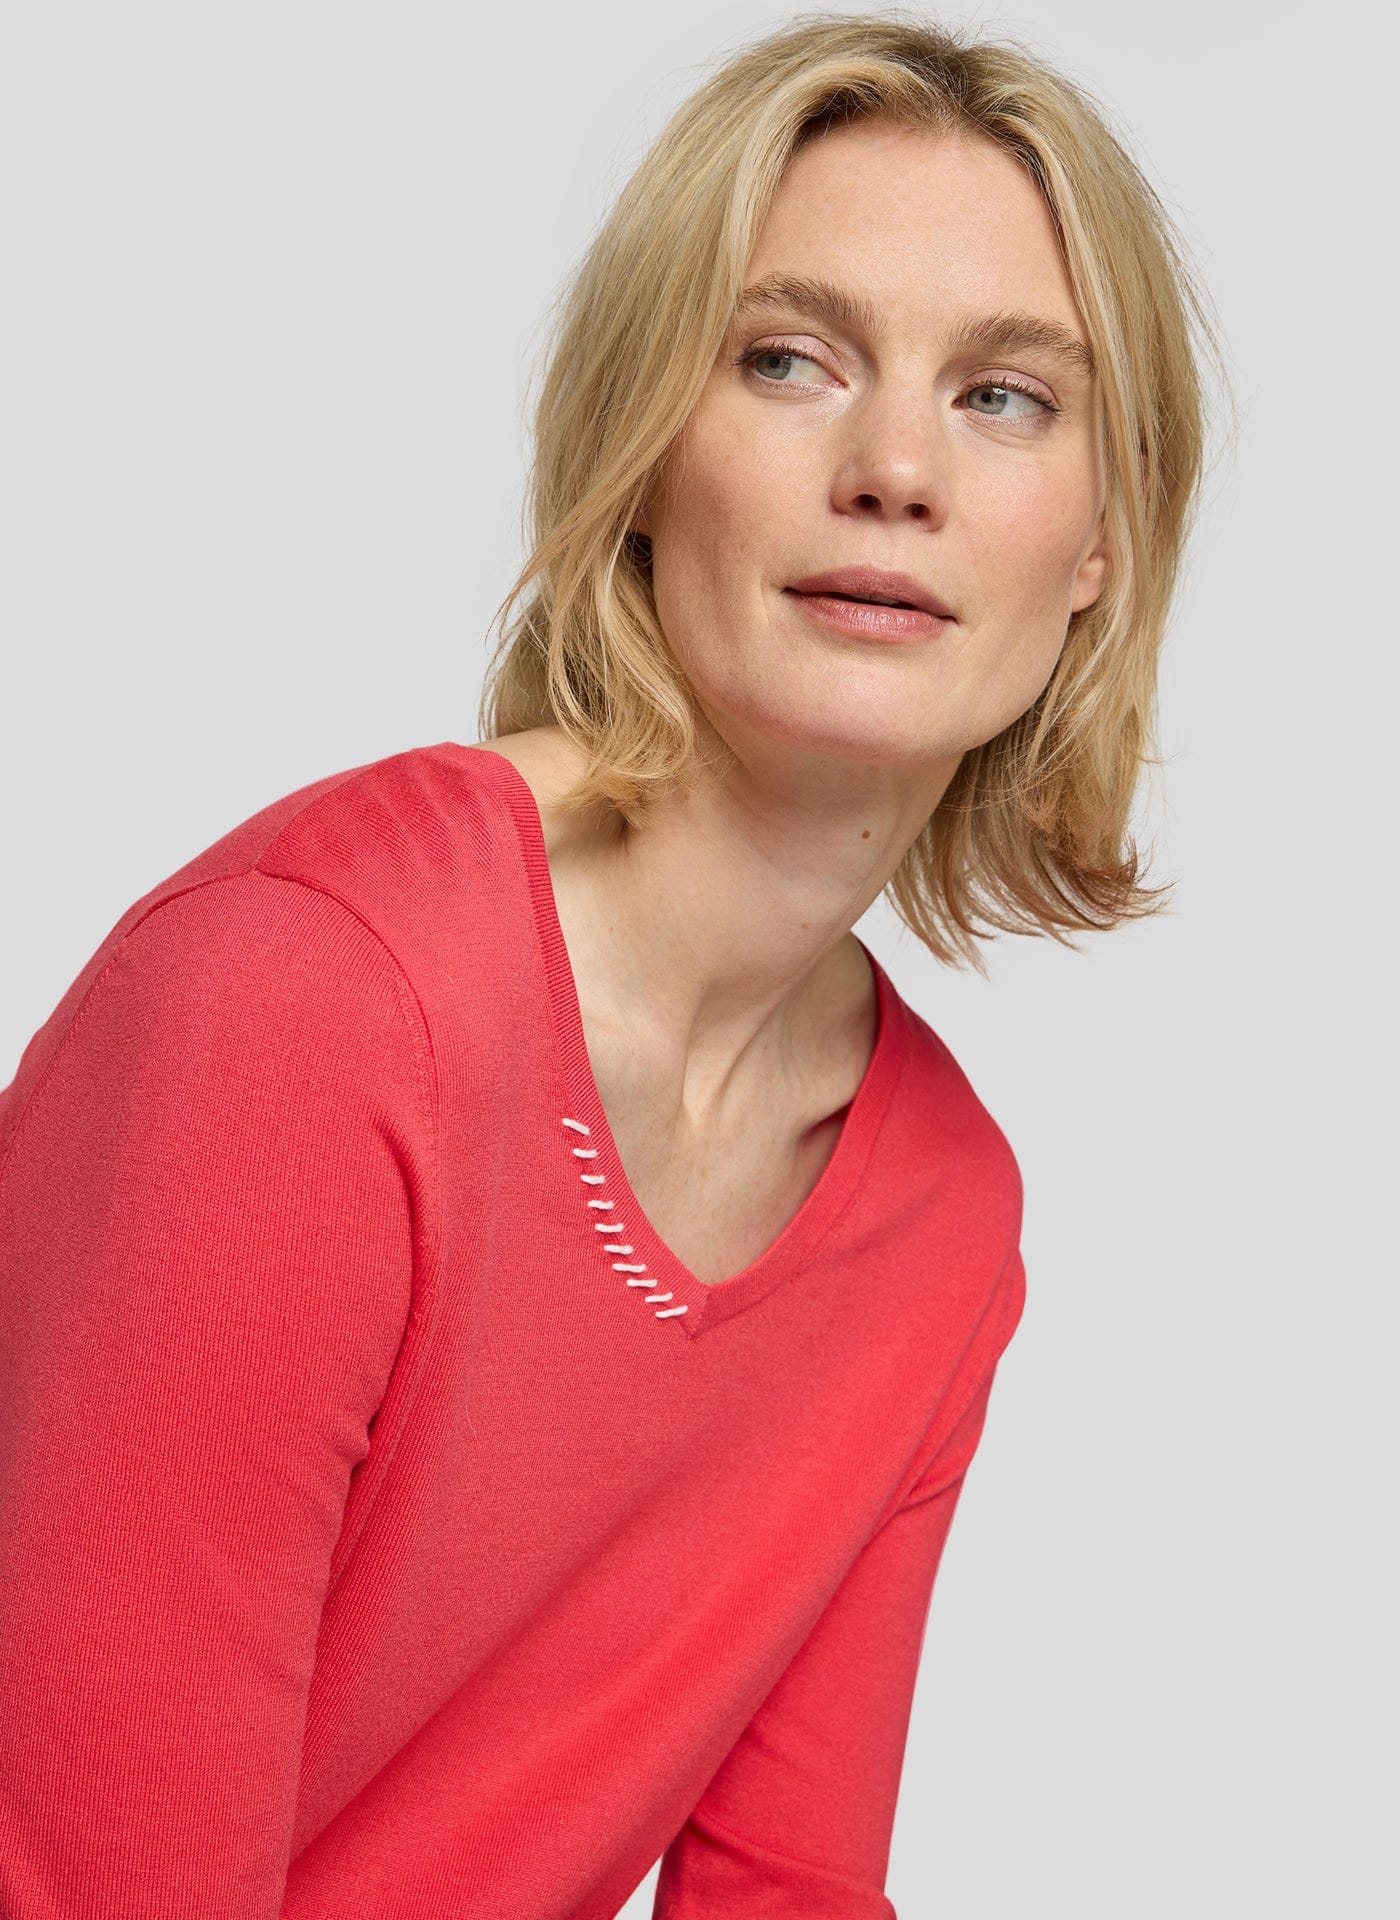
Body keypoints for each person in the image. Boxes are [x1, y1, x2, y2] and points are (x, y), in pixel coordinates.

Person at [0, 12, 1222, 1918]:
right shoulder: (309, 1012)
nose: (897, 466)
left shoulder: (937, 1220)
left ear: (1099, 547)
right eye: (789, 359)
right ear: (642, 449)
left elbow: (787, 1895)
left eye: (1005, 398)